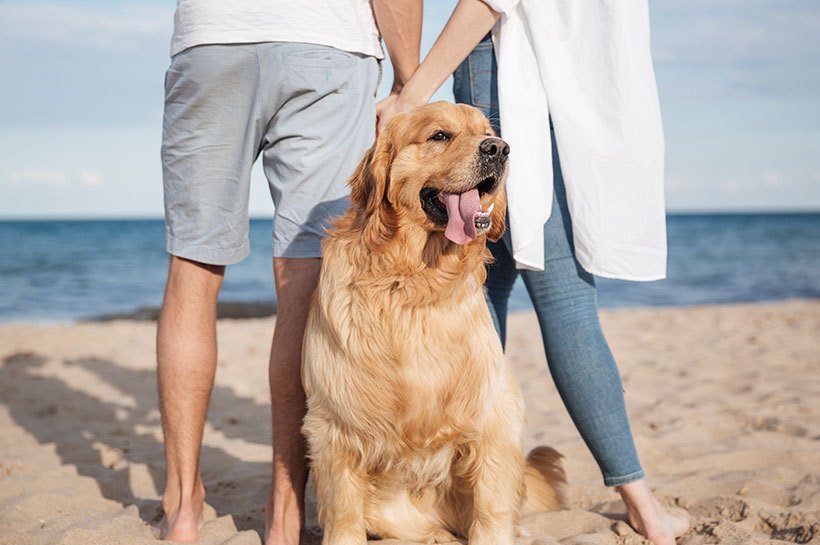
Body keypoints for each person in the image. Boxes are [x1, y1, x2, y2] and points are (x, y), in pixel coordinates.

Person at [377, 1, 690, 544]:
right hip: (573, 80)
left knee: (514, 291)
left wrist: (414, 89)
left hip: (508, 65)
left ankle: (638, 505)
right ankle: (467, 491)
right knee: (485, 285)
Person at [155, 1, 421, 543]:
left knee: (192, 268)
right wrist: (408, 80)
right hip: (327, 46)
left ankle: (183, 508)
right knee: (305, 277)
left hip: (212, 38)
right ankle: (285, 511)